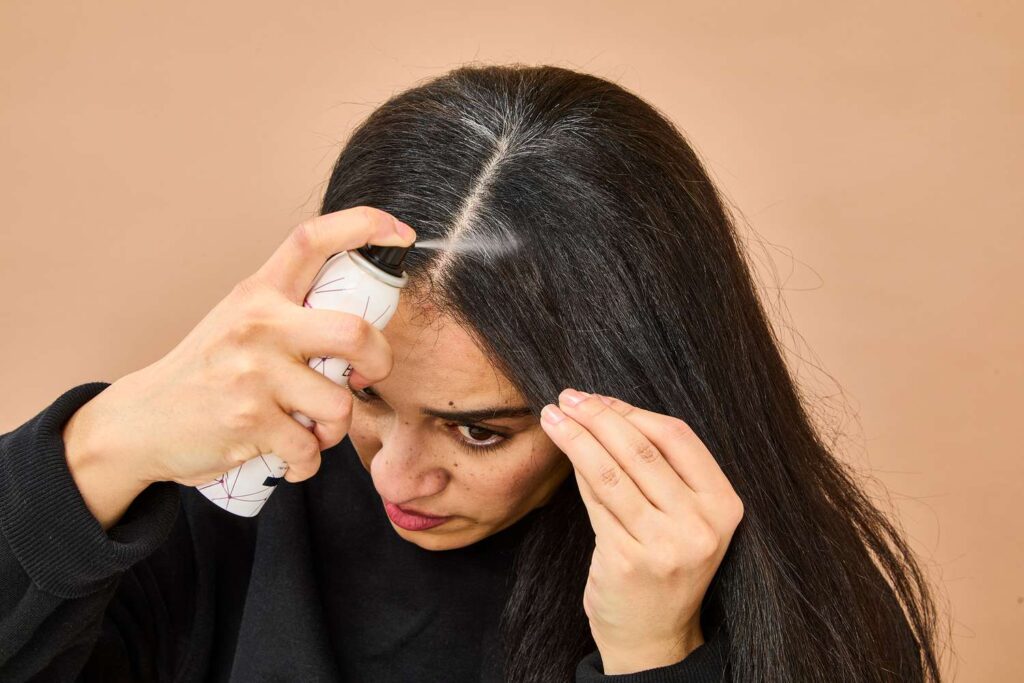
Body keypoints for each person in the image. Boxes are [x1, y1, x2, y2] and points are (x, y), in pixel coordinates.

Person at [0, 64, 942, 682]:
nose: (395, 477)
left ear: (630, 383)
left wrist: (654, 654)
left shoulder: (787, 602)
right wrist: (98, 446)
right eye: (363, 396)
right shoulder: (226, 507)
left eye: (479, 428)